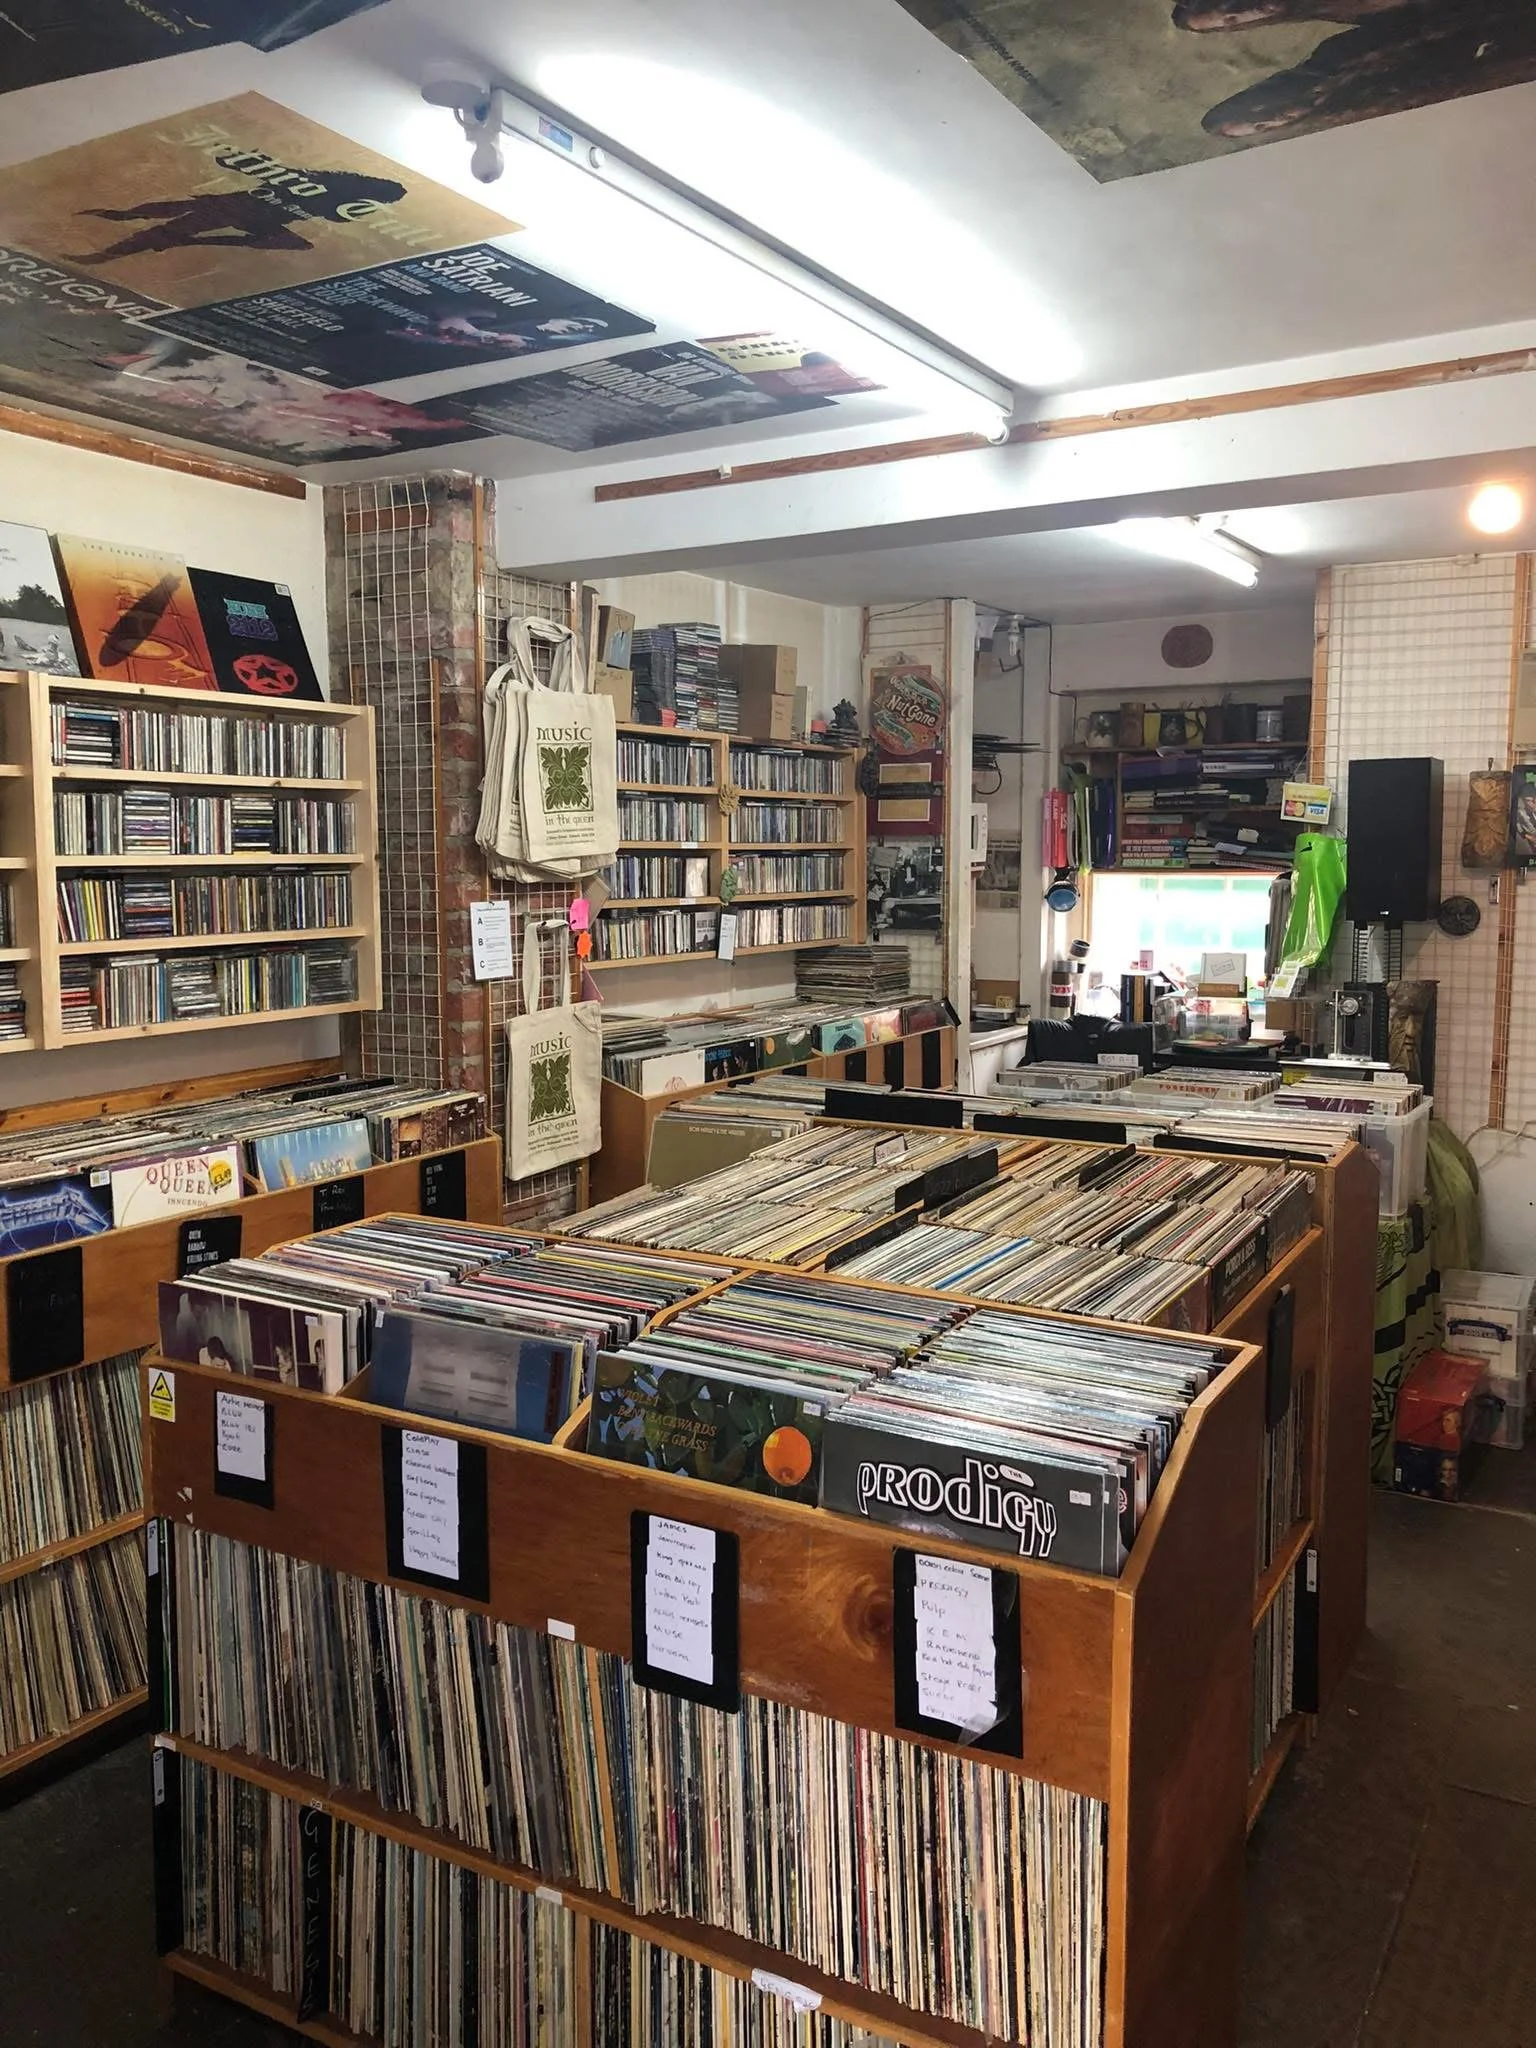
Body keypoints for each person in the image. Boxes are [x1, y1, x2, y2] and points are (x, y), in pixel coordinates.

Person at [70, 169, 408, 264]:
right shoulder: (334, 183)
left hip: (262, 218)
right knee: (179, 218)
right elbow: (281, 174)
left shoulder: (349, 204)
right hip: (244, 206)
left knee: (298, 245)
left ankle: (178, 239)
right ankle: (113, 238)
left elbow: (336, 218)